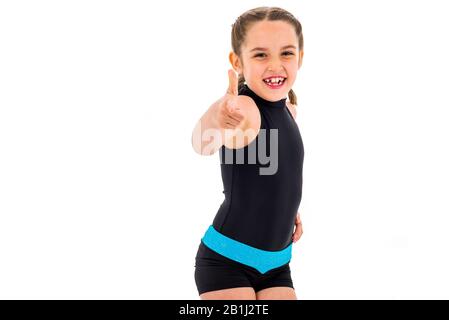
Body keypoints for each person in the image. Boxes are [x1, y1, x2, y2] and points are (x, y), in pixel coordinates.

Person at [191, 6, 305, 300]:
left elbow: (275, 174)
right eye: (260, 54)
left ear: (300, 58)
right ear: (237, 62)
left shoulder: (290, 111)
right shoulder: (243, 109)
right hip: (227, 261)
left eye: (287, 53)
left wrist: (287, 211)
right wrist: (217, 119)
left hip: (278, 264)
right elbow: (202, 143)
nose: (275, 65)